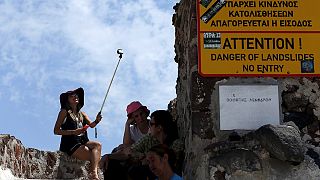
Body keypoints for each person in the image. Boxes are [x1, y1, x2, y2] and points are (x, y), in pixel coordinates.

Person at [54, 87, 102, 180]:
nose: (75, 96)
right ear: (67, 100)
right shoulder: (64, 112)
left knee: (98, 145)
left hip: (83, 141)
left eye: (76, 95)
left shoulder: (82, 114)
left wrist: (97, 120)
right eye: (71, 95)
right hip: (70, 144)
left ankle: (93, 173)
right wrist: (73, 132)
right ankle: (94, 174)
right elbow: (56, 130)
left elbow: (91, 125)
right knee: (93, 156)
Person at [101, 101, 150, 180]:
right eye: (136, 116)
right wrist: (127, 125)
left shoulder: (153, 125)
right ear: (133, 119)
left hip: (147, 157)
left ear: (145, 113)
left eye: (141, 114)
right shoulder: (132, 130)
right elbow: (126, 147)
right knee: (115, 156)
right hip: (135, 158)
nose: (140, 118)